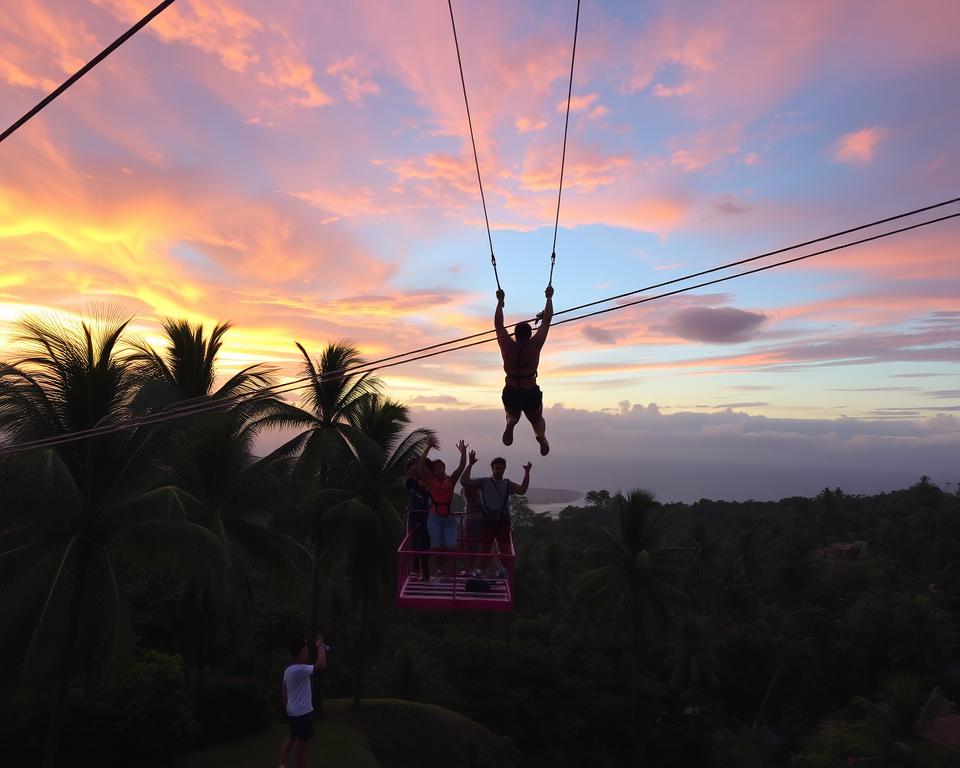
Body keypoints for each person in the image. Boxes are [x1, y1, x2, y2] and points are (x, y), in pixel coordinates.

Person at [495, 285, 554, 455]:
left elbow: (498, 324)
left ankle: (511, 421)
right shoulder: (535, 345)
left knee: (511, 414)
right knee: (537, 420)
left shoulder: (507, 345)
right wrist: (549, 298)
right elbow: (548, 320)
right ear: (530, 334)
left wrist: (500, 302)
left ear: (515, 333)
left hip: (512, 391)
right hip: (530, 391)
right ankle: (540, 436)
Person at [461, 456, 531, 577]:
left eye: (501, 469)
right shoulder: (484, 482)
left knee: (505, 548)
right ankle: (482, 572)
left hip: (502, 519)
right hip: (488, 519)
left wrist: (527, 473)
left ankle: (506, 573)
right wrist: (470, 464)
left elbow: (522, 490)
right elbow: (464, 481)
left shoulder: (507, 484)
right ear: (492, 468)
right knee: (485, 548)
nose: (498, 471)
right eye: (496, 468)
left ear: (504, 469)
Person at [419, 438, 468, 578]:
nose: (439, 470)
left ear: (445, 468)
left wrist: (463, 453)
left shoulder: (450, 480)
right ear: (433, 471)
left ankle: (447, 575)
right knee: (434, 549)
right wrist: (428, 447)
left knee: (451, 548)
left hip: (449, 518)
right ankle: (433, 576)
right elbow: (422, 466)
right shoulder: (430, 480)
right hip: (434, 518)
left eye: (441, 467)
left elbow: (460, 468)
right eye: (436, 468)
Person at [278, 634, 327, 768]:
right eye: (306, 649)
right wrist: (321, 646)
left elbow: (284, 691)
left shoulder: (288, 670)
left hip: (293, 712)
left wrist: (287, 707)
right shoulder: (300, 669)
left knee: (292, 737)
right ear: (300, 652)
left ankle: (281, 764)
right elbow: (321, 665)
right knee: (302, 746)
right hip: (303, 714)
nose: (308, 651)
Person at [405, 458, 432, 580]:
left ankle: (426, 574)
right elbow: (412, 472)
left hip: (427, 517)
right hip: (414, 517)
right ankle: (415, 570)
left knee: (425, 545)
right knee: (414, 544)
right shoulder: (410, 483)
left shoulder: (428, 484)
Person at [461, 449, 485, 576]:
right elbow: (464, 480)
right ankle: (472, 568)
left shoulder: (474, 491)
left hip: (474, 517)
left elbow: (464, 480)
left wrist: (470, 465)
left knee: (472, 543)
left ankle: (471, 568)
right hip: (474, 516)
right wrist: (470, 464)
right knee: (473, 543)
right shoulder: (474, 490)